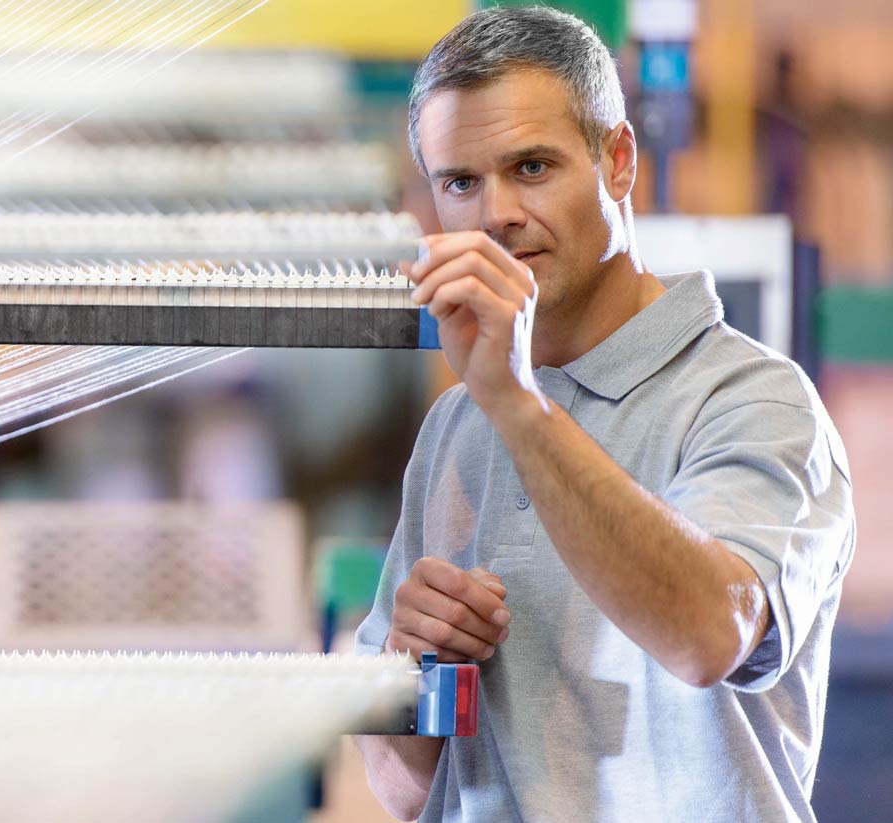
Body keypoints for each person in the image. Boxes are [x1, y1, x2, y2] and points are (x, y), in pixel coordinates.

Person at [350, 7, 855, 822]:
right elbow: (400, 788)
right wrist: (417, 661)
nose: (497, 215)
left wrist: (516, 402)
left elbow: (705, 635)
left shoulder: (754, 404)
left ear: (619, 161)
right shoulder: (455, 426)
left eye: (533, 167)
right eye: (461, 182)